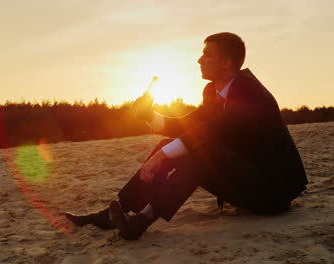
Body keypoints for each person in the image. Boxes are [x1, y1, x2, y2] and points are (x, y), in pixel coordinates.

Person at [62, 32, 307, 240]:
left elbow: (215, 130)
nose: (199, 60)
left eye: (207, 54)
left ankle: (140, 223)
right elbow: (188, 124)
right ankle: (115, 213)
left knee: (199, 152)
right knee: (171, 145)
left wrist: (163, 156)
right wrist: (152, 115)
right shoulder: (213, 91)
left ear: (226, 62)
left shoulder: (248, 90)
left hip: (271, 193)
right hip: (243, 180)